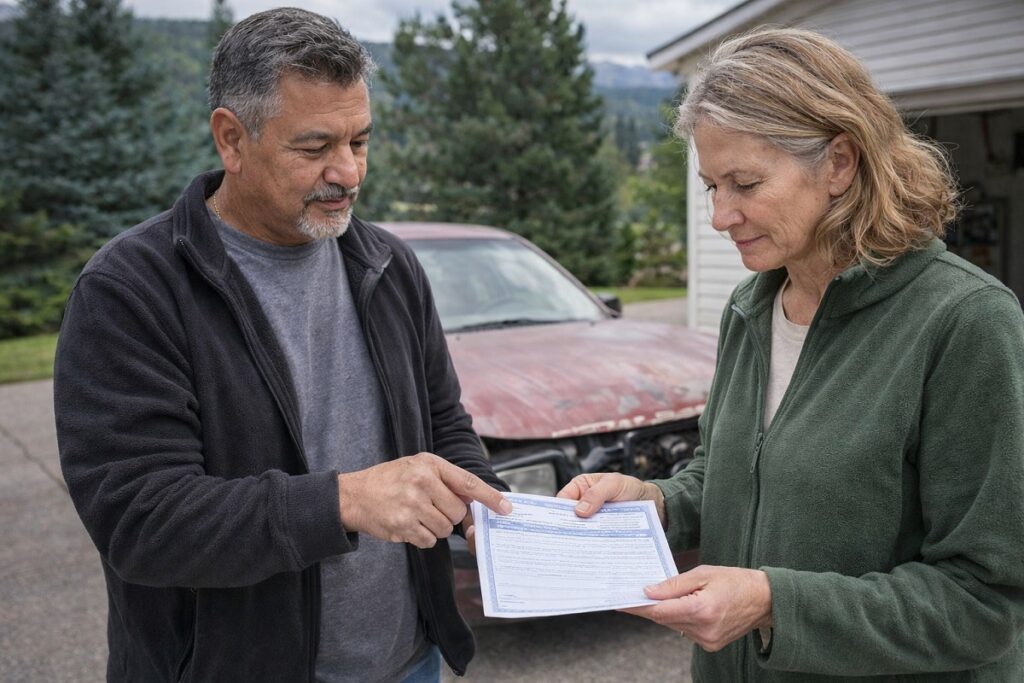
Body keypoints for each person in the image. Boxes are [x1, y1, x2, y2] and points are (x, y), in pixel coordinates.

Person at [53, 8, 511, 682]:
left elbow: (443, 424)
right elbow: (139, 519)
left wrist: (492, 508)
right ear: (231, 139)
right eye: (315, 146)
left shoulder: (388, 265)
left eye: (360, 141)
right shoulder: (130, 290)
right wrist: (341, 501)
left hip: (411, 660)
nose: (348, 172)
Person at [559, 27, 1024, 681]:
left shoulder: (965, 323)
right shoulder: (751, 308)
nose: (722, 215)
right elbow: (727, 474)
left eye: (744, 183)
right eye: (711, 186)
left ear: (839, 162)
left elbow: (984, 602)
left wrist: (775, 604)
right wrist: (653, 501)